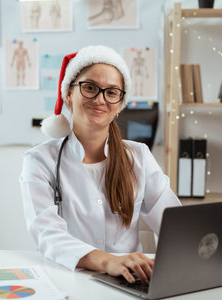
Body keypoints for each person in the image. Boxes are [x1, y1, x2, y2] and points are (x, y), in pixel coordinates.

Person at [19, 45, 181, 284]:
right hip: (66, 280)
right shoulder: (40, 160)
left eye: (111, 92)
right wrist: (107, 261)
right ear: (68, 94)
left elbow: (174, 224)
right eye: (90, 88)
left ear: (119, 104)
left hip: (129, 282)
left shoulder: (139, 156)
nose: (100, 99)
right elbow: (47, 233)